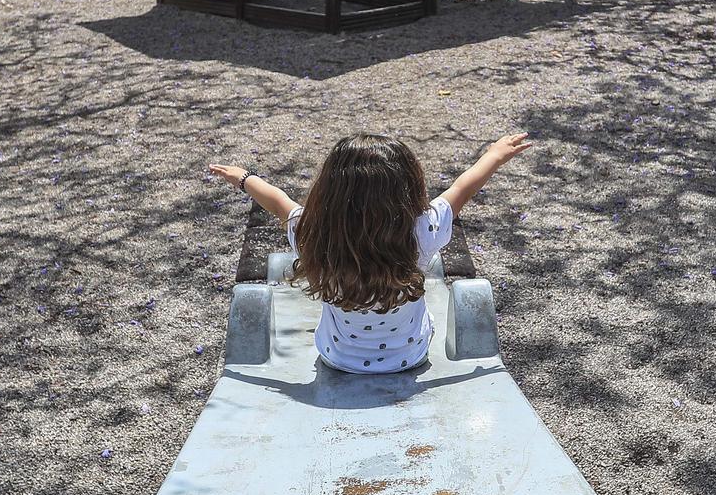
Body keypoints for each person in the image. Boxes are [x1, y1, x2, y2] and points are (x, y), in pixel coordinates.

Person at [207, 133, 533, 374]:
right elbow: (462, 188)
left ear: (329, 190)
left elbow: (277, 201)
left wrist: (244, 178)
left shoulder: (312, 234)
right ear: (408, 186)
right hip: (411, 356)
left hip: (338, 359)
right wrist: (494, 155)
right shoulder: (421, 232)